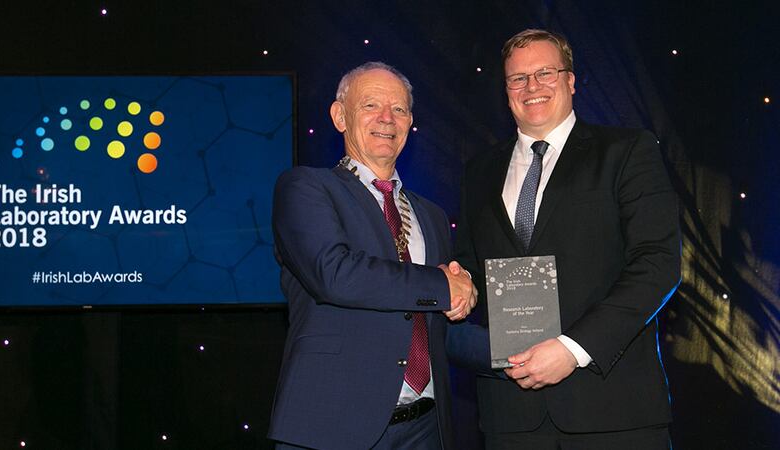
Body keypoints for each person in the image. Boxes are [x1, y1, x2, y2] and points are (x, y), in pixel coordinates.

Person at [448, 29, 681, 449]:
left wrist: (574, 349)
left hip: (613, 412)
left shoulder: (627, 151)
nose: (531, 87)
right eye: (518, 78)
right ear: (506, 90)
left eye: (545, 73)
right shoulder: (478, 171)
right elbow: (474, 267)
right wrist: (459, 282)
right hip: (511, 417)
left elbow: (658, 263)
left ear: (571, 81)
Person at [268, 61, 476, 450]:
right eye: (370, 106)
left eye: (398, 109)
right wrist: (444, 285)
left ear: (410, 121)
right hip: (331, 427)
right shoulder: (306, 187)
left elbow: (436, 329)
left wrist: (529, 351)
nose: (387, 118)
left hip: (426, 430)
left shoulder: (429, 214)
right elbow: (335, 274)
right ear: (339, 116)